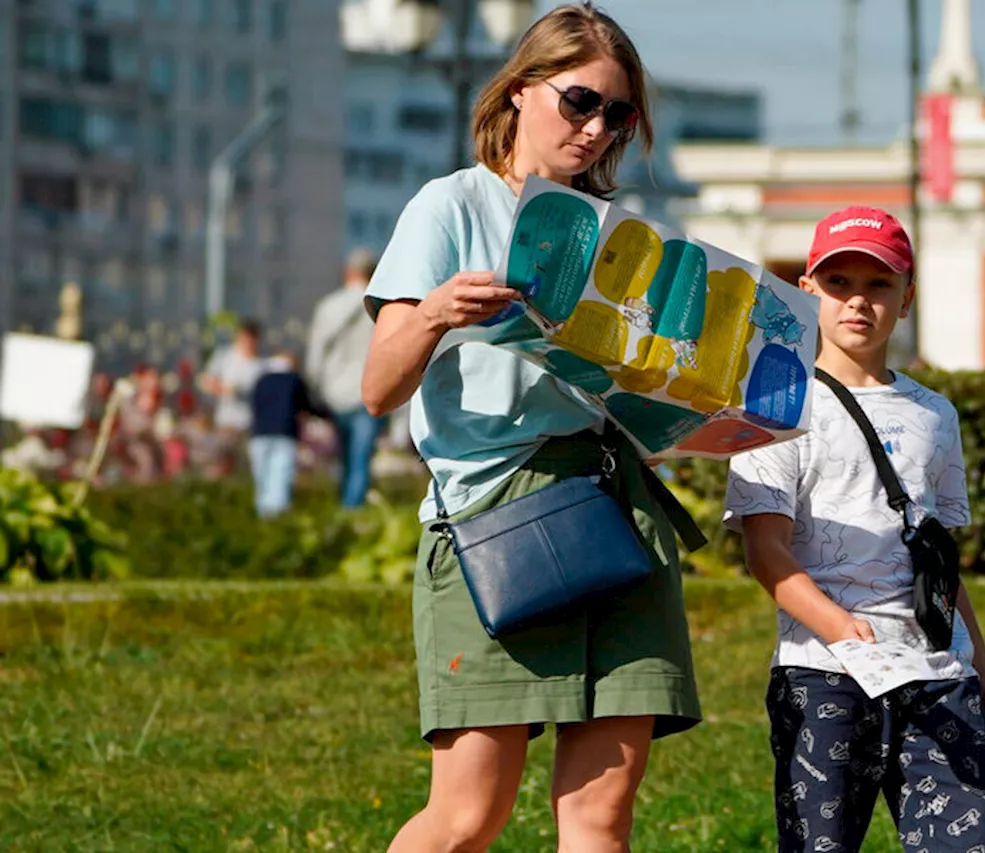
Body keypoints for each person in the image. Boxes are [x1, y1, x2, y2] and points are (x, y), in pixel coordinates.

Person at [359, 5, 701, 851]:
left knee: (601, 814)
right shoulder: (449, 206)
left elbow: (646, 395)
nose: (596, 129)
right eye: (580, 101)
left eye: (617, 114)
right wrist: (436, 311)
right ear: (520, 90)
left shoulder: (621, 233)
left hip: (615, 508)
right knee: (467, 815)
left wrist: (701, 403)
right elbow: (376, 389)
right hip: (495, 522)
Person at [723, 206, 985, 853]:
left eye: (878, 284)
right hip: (824, 674)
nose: (858, 301)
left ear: (906, 297)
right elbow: (765, 551)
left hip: (936, 672)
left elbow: (939, 564)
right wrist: (837, 625)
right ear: (808, 290)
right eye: (839, 283)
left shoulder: (934, 415)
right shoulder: (777, 405)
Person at [306, 246, 386, 508]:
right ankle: (353, 513)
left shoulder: (329, 306)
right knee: (361, 459)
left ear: (347, 272)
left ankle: (344, 508)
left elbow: (316, 354)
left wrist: (314, 390)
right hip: (369, 392)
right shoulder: (381, 305)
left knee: (343, 458)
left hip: (335, 394)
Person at [248, 351, 323, 518]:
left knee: (263, 480)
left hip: (259, 434)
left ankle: (263, 517)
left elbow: (252, 406)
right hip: (284, 433)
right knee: (280, 479)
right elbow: (307, 406)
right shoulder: (294, 380)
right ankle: (277, 519)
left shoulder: (260, 380)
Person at [201, 319, 266, 436]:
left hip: (248, 425)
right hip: (225, 422)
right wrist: (226, 389)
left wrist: (229, 389)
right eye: (244, 338)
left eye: (250, 339)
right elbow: (207, 381)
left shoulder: (260, 365)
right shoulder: (224, 357)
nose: (247, 343)